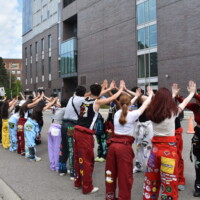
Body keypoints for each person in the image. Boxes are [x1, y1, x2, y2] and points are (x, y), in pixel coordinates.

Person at [142, 81, 196, 200]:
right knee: (169, 183)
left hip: (154, 152)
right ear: (169, 101)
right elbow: (185, 102)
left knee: (151, 182)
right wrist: (192, 93)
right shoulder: (173, 112)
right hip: (169, 153)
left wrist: (151, 94)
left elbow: (160, 103)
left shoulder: (151, 111)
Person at [74, 80, 124, 194]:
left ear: (90, 91)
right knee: (87, 161)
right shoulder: (96, 102)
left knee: (78, 158)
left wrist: (105, 87)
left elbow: (97, 94)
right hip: (85, 134)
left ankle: (78, 182)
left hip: (77, 131)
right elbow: (111, 99)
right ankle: (87, 187)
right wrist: (119, 89)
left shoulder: (84, 99)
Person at [105, 87, 153, 200]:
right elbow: (145, 105)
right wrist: (150, 94)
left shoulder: (117, 114)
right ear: (128, 104)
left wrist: (136, 96)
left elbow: (126, 105)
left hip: (112, 147)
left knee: (110, 173)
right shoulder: (133, 115)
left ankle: (110, 196)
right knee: (125, 177)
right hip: (124, 148)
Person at [58, 86, 87, 179]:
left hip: (64, 124)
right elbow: (84, 114)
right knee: (72, 149)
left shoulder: (72, 98)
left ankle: (61, 169)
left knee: (64, 146)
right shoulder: (84, 100)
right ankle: (73, 173)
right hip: (71, 126)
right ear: (84, 93)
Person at [176, 90, 200, 196]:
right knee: (198, 162)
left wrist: (194, 94)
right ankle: (198, 187)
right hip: (198, 134)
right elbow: (184, 102)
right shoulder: (195, 106)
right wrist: (177, 96)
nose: (196, 100)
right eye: (196, 99)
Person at [48, 99, 67, 172]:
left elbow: (57, 104)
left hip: (51, 127)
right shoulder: (65, 109)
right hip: (56, 129)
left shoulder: (58, 109)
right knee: (57, 148)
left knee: (51, 147)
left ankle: (52, 165)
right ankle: (57, 166)